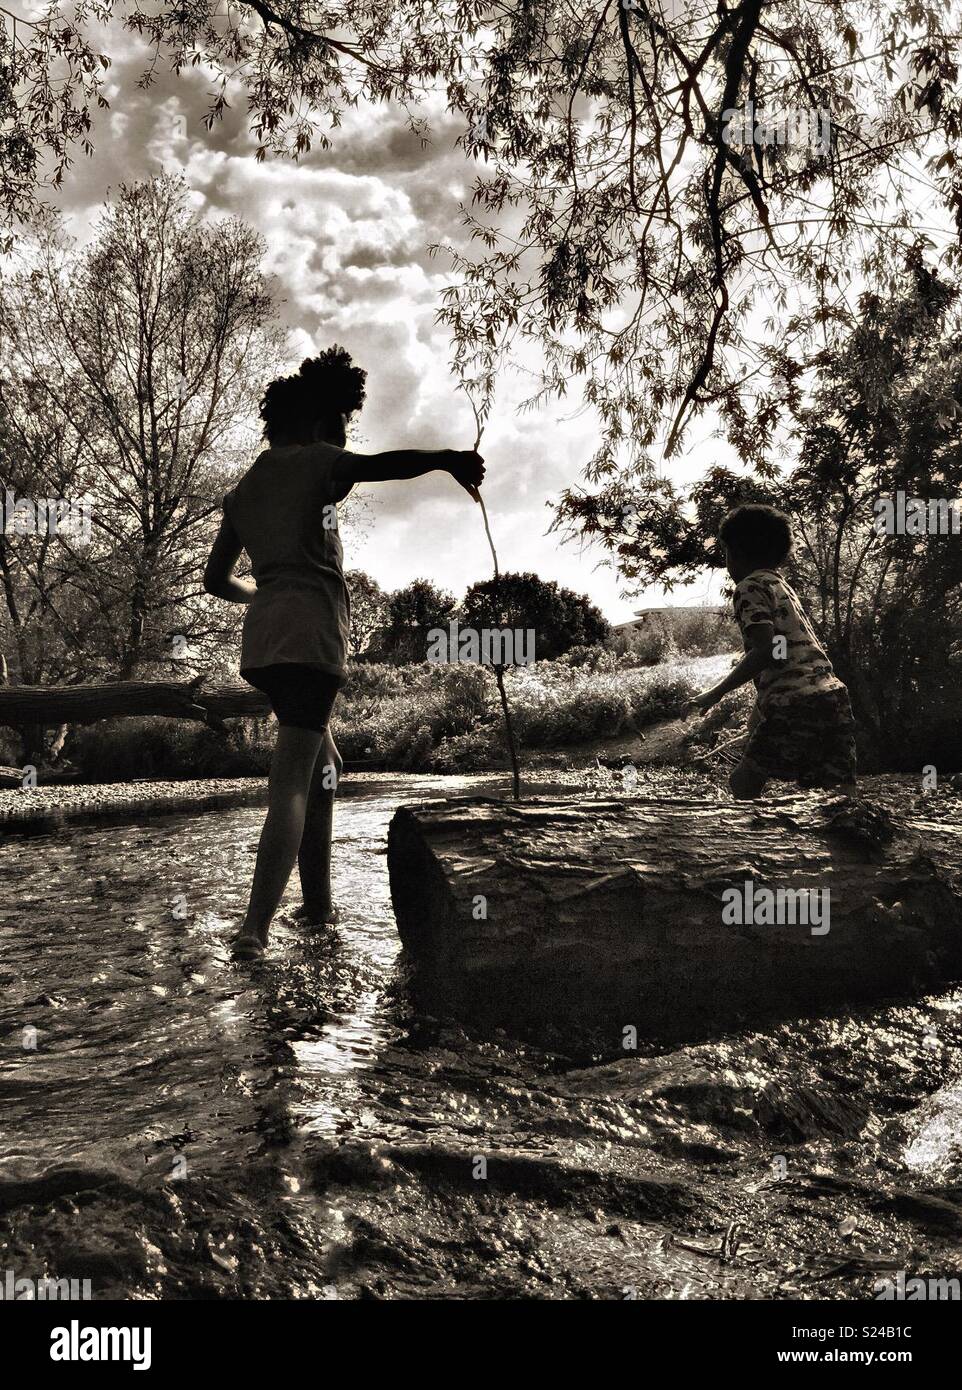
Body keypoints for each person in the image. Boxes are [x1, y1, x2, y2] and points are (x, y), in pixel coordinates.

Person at [203, 347, 485, 957]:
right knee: (292, 787)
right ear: (314, 424)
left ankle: (319, 906)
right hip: (311, 638)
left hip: (266, 644)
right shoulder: (318, 461)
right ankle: (255, 928)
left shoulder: (243, 490)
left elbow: (215, 580)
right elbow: (384, 464)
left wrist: (266, 592)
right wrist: (446, 459)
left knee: (323, 771)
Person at [684, 504, 857, 800]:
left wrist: (715, 693)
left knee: (743, 785)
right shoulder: (781, 586)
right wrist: (760, 712)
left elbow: (767, 651)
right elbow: (787, 657)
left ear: (736, 552)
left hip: (794, 702)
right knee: (839, 791)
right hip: (833, 696)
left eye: (725, 552)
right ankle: (856, 837)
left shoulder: (748, 587)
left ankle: (749, 843)